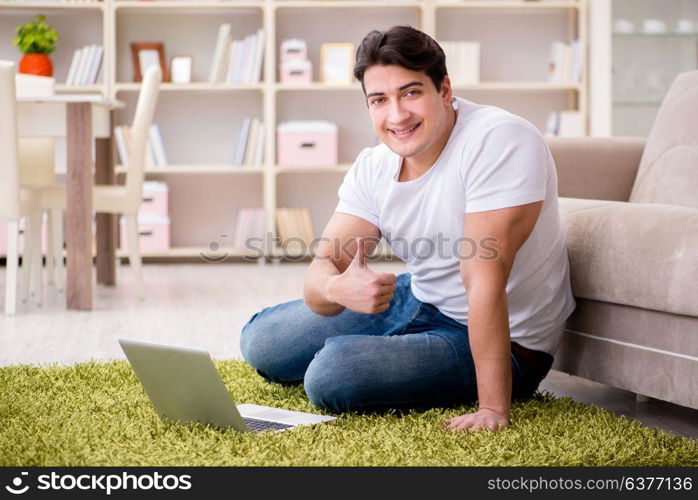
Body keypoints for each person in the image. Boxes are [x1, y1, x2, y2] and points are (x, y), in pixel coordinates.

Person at [240, 25, 576, 433]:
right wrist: (335, 288)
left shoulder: (500, 140)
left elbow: (485, 275)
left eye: (411, 92)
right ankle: (398, 349)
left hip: (510, 343)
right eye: (379, 100)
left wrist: (492, 409)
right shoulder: (374, 165)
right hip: (422, 296)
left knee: (331, 375)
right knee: (262, 342)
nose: (397, 115)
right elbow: (326, 263)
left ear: (445, 90)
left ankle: (393, 358)